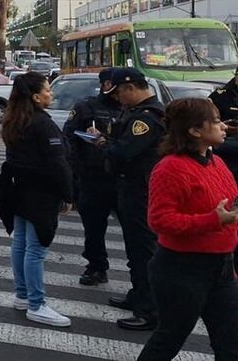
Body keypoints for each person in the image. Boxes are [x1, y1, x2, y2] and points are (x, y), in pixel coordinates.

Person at [136, 98, 238, 360]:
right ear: (194, 131)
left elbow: (229, 207)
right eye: (216, 122)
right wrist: (213, 221)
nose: (223, 127)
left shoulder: (217, 162)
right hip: (182, 269)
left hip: (221, 268)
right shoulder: (170, 168)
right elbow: (159, 220)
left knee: (231, 342)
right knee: (170, 337)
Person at [0, 72, 75, 328]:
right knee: (37, 248)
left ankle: (22, 295)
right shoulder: (43, 124)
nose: (51, 94)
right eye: (48, 90)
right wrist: (68, 194)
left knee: (21, 242)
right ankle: (37, 304)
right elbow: (57, 163)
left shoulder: (14, 119)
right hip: (40, 193)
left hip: (18, 188)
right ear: (36, 96)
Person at [91, 67, 165, 331]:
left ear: (132, 88)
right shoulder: (136, 114)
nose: (118, 98)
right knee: (134, 248)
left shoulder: (146, 118)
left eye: (120, 92)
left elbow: (124, 151)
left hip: (140, 190)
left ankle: (149, 309)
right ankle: (138, 294)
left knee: (144, 250)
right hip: (131, 188)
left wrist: (102, 144)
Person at [62, 68, 123, 286]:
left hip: (123, 179)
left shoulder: (132, 109)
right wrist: (77, 173)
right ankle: (96, 266)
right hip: (93, 177)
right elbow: (69, 140)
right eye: (109, 84)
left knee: (136, 232)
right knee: (94, 228)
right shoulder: (86, 107)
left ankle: (140, 279)